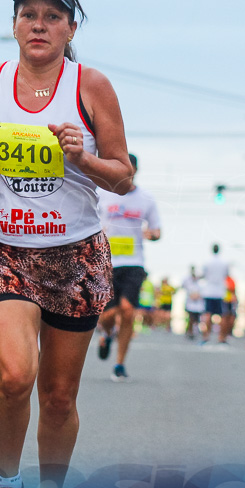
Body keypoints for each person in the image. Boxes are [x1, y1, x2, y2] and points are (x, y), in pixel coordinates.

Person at [0, 0, 133, 488]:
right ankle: (9, 485)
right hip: (4, 249)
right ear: (13, 25)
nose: (39, 24)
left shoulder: (90, 86)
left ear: (70, 28)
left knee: (58, 397)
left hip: (75, 257)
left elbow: (123, 175)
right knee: (15, 376)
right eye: (28, 14)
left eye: (52, 16)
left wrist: (83, 158)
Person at [96, 153, 161, 381]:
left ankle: (120, 364)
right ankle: (105, 334)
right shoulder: (102, 195)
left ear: (134, 172)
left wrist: (150, 234)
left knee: (127, 310)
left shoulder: (146, 199)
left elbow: (157, 230)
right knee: (108, 314)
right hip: (106, 262)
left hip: (134, 263)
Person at [201, 245, 229, 344]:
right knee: (222, 315)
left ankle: (206, 336)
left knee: (207, 314)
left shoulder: (207, 262)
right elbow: (226, 275)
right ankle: (221, 337)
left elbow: (204, 275)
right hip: (220, 292)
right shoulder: (224, 263)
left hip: (209, 291)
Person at [182, 266, 203, 341]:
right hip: (190, 305)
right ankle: (189, 331)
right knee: (191, 318)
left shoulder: (199, 285)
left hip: (198, 306)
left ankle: (194, 331)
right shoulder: (189, 283)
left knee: (196, 320)